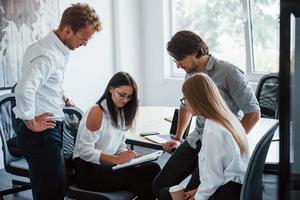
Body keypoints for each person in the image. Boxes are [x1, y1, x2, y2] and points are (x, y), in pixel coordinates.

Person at [152, 30, 261, 199]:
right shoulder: (190, 74)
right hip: (197, 139)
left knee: (191, 192)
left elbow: (253, 113)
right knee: (160, 186)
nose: (178, 65)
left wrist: (231, 144)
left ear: (194, 52)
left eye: (179, 59)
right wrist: (178, 138)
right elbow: (186, 106)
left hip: (218, 141)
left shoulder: (228, 72)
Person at [13, 3, 101, 200]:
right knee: (50, 191)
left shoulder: (54, 48)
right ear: (68, 30)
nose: (85, 44)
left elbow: (45, 82)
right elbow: (23, 89)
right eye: (83, 39)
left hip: (47, 126)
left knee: (52, 185)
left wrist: (60, 96)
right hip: (41, 132)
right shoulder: (48, 55)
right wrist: (31, 121)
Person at [73, 72, 161, 200]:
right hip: (89, 171)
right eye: (122, 95)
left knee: (152, 169)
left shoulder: (119, 111)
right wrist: (116, 159)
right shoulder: (97, 112)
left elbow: (120, 144)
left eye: (129, 97)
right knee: (144, 178)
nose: (125, 100)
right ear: (110, 89)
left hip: (108, 167)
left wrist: (129, 156)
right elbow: (83, 151)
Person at [181, 73, 249, 200]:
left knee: (165, 193)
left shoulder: (213, 130)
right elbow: (219, 173)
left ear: (196, 99)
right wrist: (198, 190)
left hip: (227, 193)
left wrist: (198, 197)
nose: (185, 104)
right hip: (237, 186)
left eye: (185, 99)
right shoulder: (227, 118)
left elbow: (214, 178)